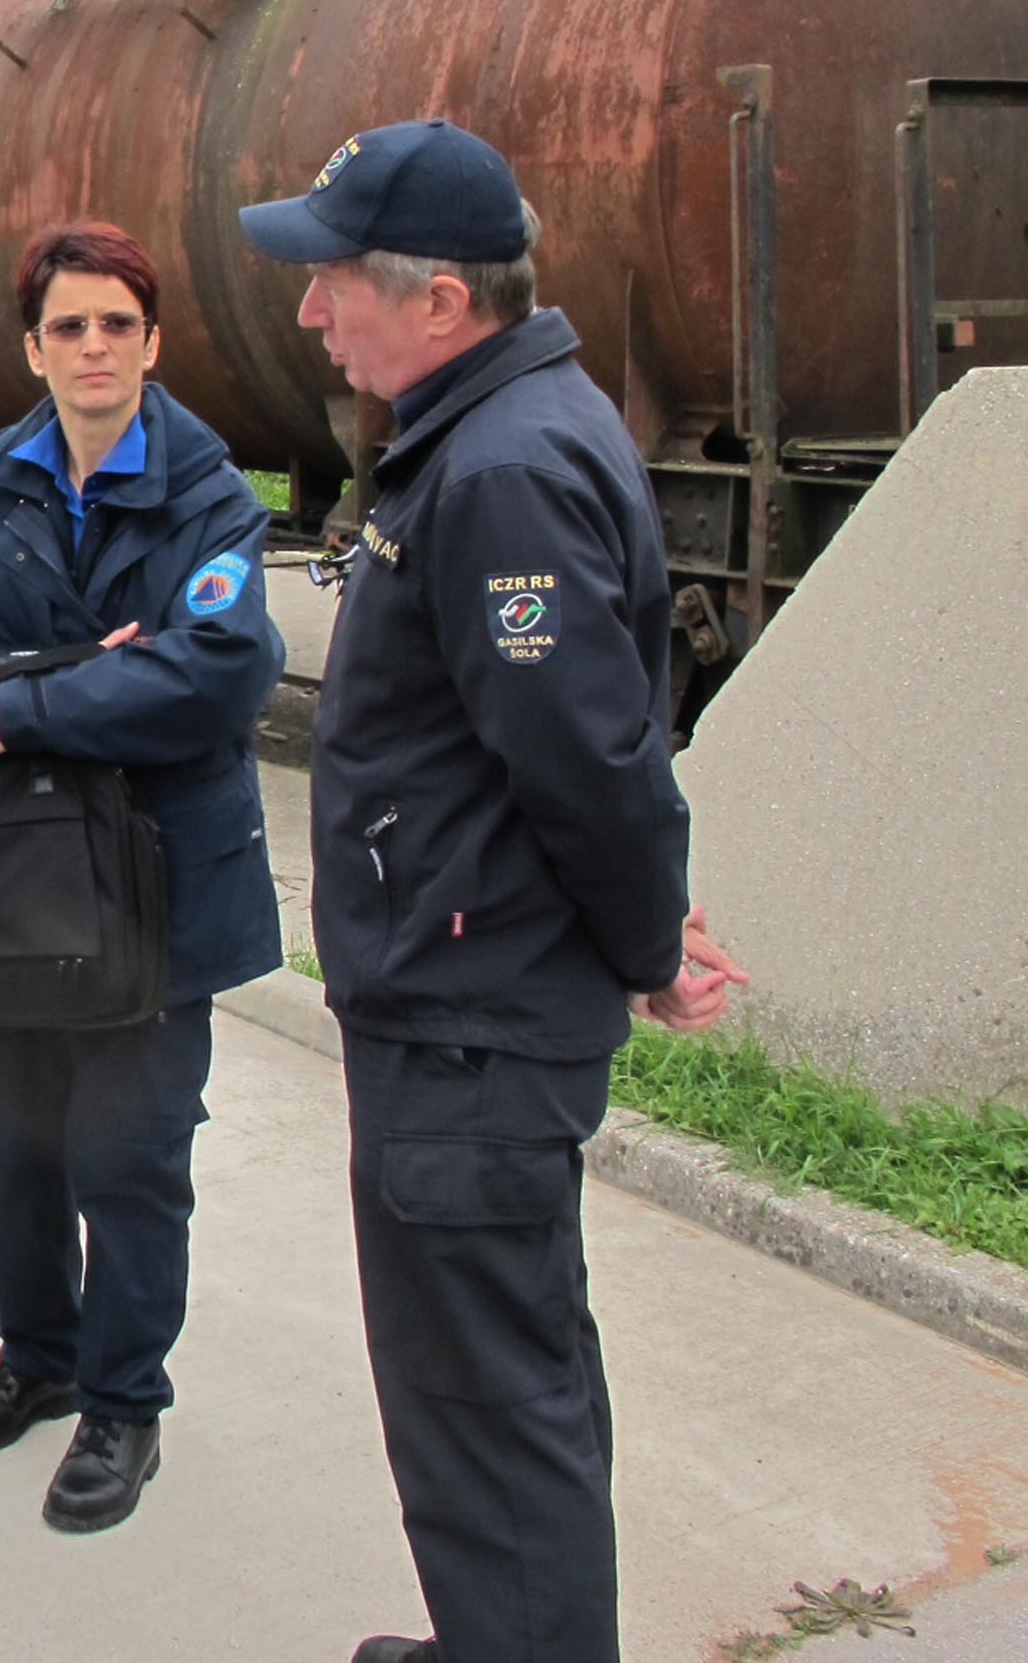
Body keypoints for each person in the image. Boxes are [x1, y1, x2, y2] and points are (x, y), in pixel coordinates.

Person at [236, 119, 747, 1663]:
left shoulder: (506, 467)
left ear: (440, 301)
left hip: (470, 1018)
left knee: (485, 1402)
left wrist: (650, 938)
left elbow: (588, 755)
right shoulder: (495, 429)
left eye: (333, 283)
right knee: (497, 1375)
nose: (312, 314)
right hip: (468, 985)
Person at [0, 220, 287, 1534]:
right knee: (20, 1137)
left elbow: (219, 669)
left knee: (129, 1151)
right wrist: (82, 675)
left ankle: (124, 1402)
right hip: (11, 877)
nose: (95, 346)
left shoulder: (212, 492)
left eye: (118, 323)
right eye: (71, 326)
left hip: (158, 883)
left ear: (153, 339)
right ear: (34, 346)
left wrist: (31, 701)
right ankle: (37, 1355)